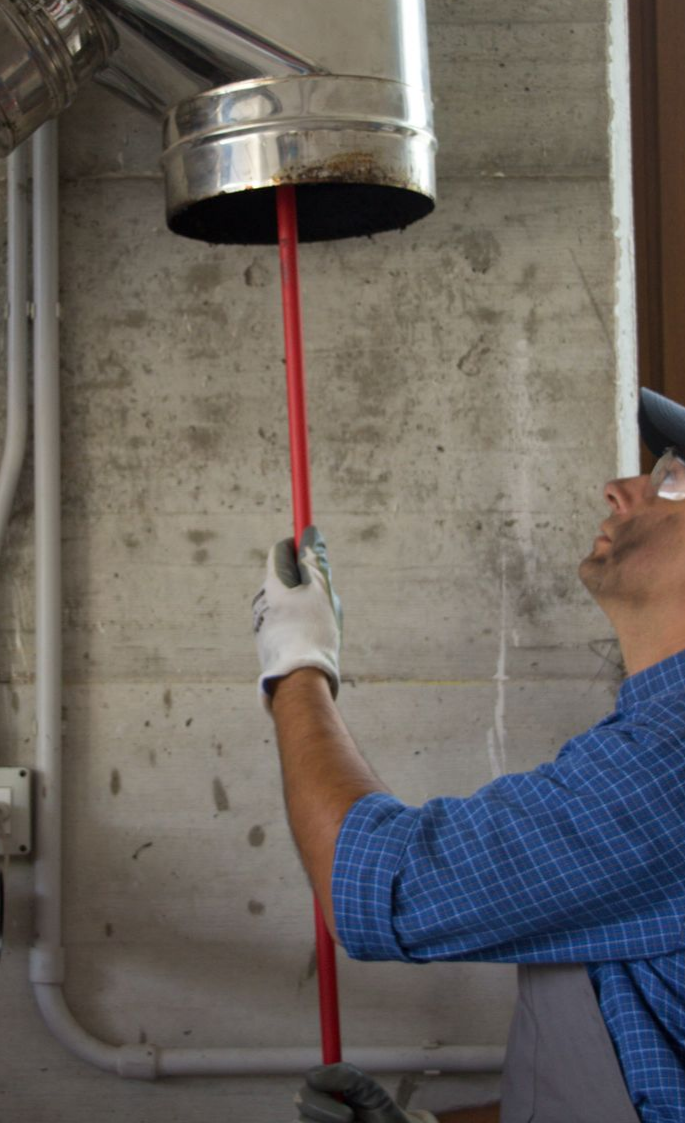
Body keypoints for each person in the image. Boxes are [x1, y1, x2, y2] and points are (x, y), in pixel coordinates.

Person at [252, 388, 685, 1123]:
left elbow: (377, 885)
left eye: (672, 477)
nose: (623, 488)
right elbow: (639, 1059)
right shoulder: (648, 742)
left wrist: (294, 665)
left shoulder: (665, 769)